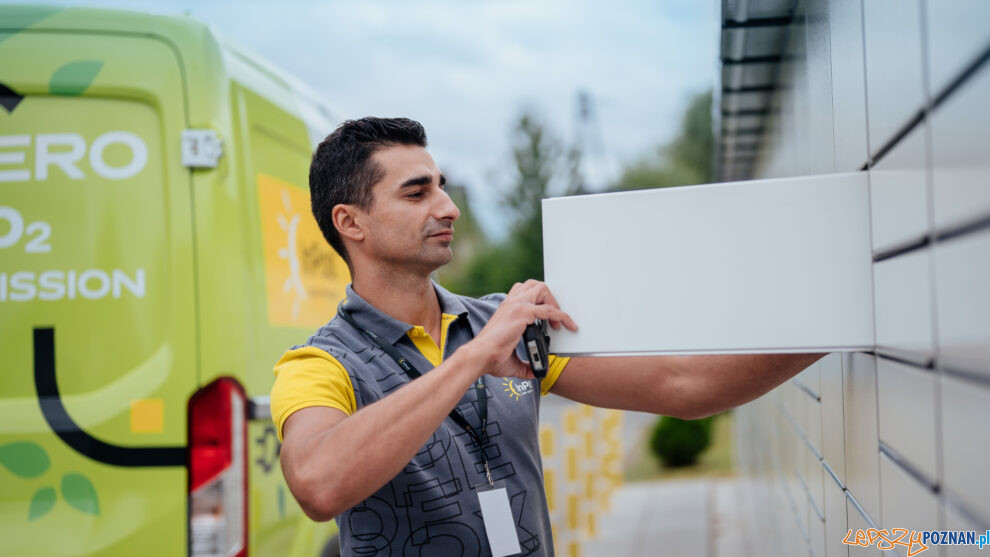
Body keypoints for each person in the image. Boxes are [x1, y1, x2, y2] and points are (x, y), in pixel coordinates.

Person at [271, 117, 822, 556]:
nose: (449, 208)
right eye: (417, 194)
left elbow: (684, 386)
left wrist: (836, 324)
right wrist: (473, 360)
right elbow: (319, 485)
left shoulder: (510, 326)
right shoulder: (319, 365)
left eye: (442, 187)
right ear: (351, 223)